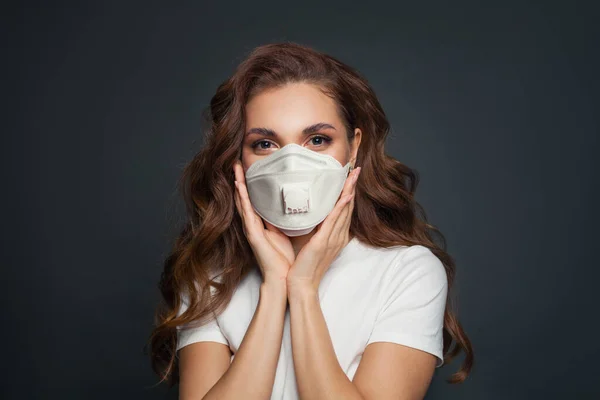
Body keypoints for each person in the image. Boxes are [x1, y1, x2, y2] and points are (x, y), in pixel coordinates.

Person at [148, 42, 474, 399]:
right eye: (265, 144)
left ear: (353, 147)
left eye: (317, 140)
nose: (292, 165)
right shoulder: (209, 274)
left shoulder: (407, 271)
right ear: (237, 159)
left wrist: (302, 290)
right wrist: (273, 289)